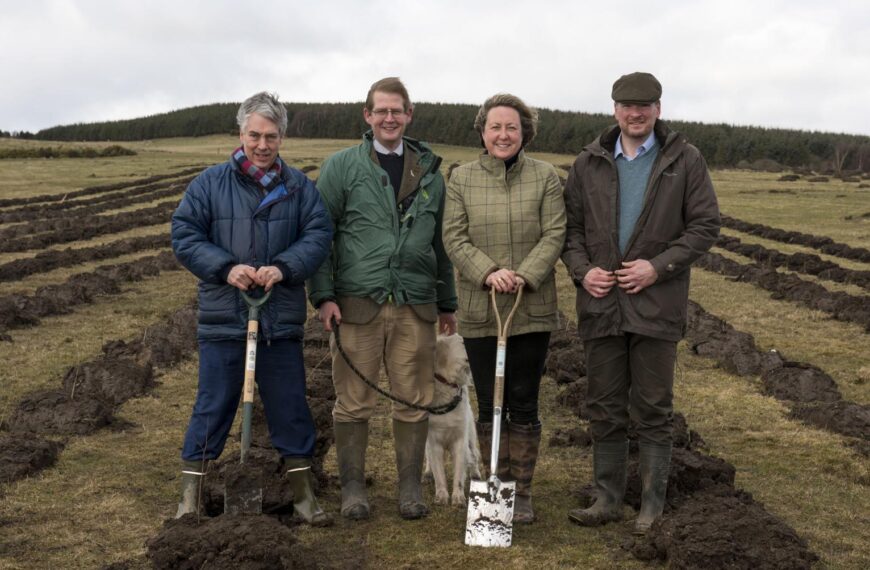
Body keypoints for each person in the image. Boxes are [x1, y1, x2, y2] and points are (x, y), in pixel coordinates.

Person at [561, 72, 720, 533]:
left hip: (656, 305)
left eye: (645, 105)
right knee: (604, 405)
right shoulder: (588, 162)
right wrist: (581, 270)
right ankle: (607, 499)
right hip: (602, 304)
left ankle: (651, 506)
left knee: (652, 407)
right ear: (614, 110)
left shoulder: (685, 160)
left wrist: (658, 266)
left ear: (658, 109)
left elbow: (705, 227)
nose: (636, 113)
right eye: (628, 105)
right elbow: (570, 231)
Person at [171, 91, 333, 525]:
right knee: (213, 404)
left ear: (282, 137)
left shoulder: (299, 188)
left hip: (278, 318)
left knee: (290, 406)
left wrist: (283, 267)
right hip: (225, 317)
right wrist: (226, 268)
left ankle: (303, 497)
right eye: (254, 135)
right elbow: (185, 235)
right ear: (240, 133)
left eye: (272, 137)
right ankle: (191, 496)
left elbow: (317, 236)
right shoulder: (209, 184)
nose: (262, 145)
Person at [307, 77, 457, 521]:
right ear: (367, 116)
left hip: (416, 303)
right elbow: (321, 236)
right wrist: (323, 295)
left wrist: (446, 303)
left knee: (413, 397)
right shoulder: (341, 167)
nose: (389, 118)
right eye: (381, 111)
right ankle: (353, 489)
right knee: (354, 400)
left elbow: (440, 245)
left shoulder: (430, 172)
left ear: (410, 115)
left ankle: (410, 488)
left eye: (398, 110)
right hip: (357, 303)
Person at [442, 93, 566, 523]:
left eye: (511, 127)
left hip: (529, 307)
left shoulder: (546, 176)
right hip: (482, 306)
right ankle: (494, 480)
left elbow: (554, 234)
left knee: (523, 399)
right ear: (482, 131)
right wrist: (490, 271)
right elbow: (454, 237)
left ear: (524, 131)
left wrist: (522, 275)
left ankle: (521, 491)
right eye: (495, 127)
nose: (503, 134)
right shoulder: (461, 178)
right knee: (489, 397)